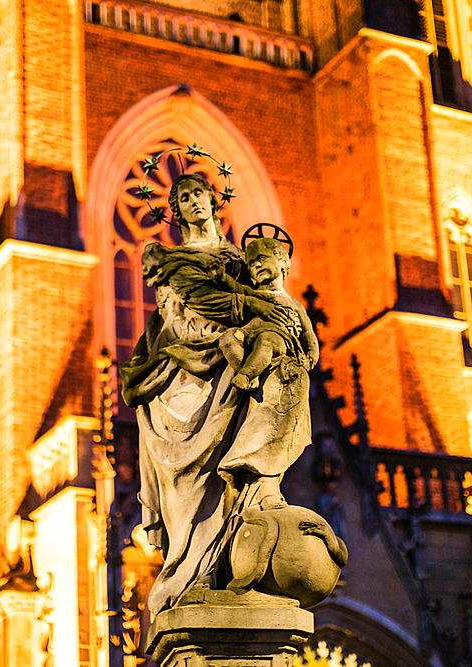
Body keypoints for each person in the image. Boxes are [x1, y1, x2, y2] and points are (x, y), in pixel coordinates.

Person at [120, 173, 315, 617]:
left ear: (214, 201)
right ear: (176, 209)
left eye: (199, 195)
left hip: (231, 357)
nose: (194, 203)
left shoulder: (239, 259)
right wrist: (265, 310)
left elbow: (266, 293)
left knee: (272, 385)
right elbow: (205, 303)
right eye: (183, 198)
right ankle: (188, 570)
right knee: (189, 481)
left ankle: (246, 524)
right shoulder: (171, 260)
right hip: (183, 370)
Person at [218, 238, 319, 393]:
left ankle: (246, 375)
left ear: (282, 262)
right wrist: (222, 278)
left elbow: (307, 332)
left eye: (262, 258)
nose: (256, 265)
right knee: (227, 339)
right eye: (251, 264)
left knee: (266, 341)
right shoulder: (254, 294)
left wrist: (311, 357)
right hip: (249, 334)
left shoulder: (294, 304)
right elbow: (237, 288)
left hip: (280, 338)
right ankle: (252, 371)